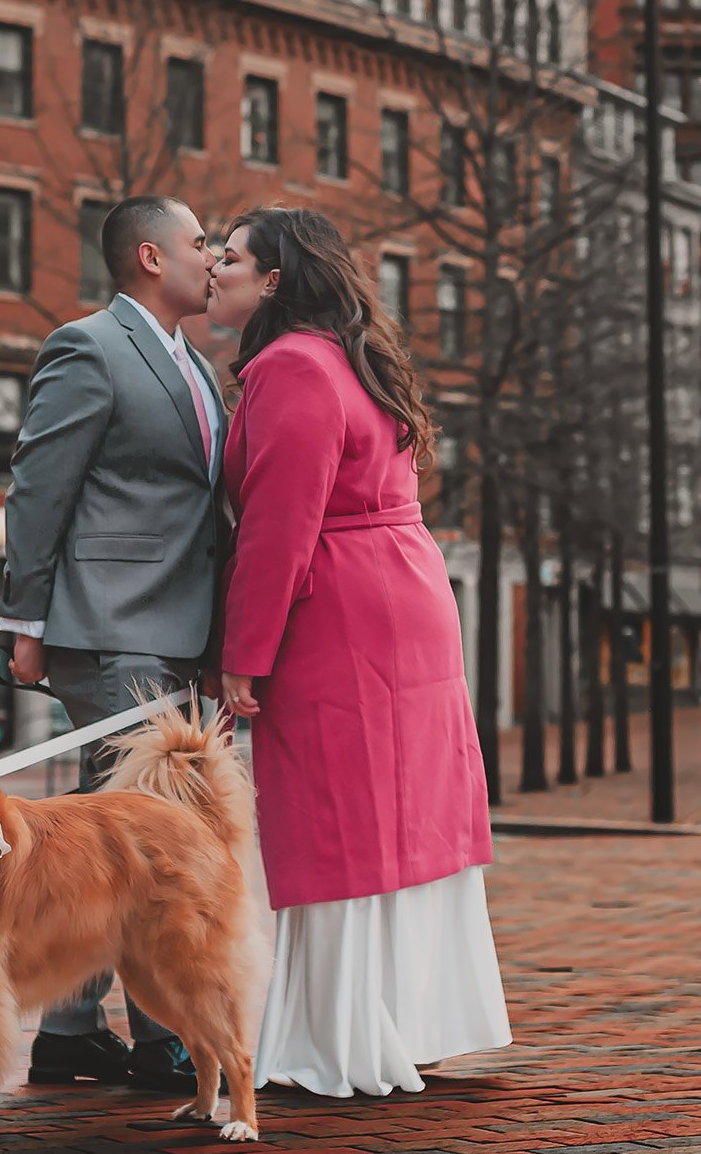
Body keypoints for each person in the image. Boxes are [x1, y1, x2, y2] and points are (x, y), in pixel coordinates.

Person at [207, 206, 509, 1098]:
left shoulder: (292, 366)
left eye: (231, 256)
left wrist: (243, 654)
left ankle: (340, 1037)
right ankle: (407, 1021)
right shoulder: (344, 356)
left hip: (343, 610)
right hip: (398, 595)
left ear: (272, 280)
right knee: (403, 819)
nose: (216, 268)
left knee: (338, 818)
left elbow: (279, 525)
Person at [0, 195, 224, 1097]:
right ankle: (160, 1037)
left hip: (175, 627)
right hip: (111, 626)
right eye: (201, 242)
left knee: (102, 837)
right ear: (150, 257)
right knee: (148, 837)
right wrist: (24, 623)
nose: (214, 258)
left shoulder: (200, 366)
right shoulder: (87, 346)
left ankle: (68, 1030)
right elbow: (38, 488)